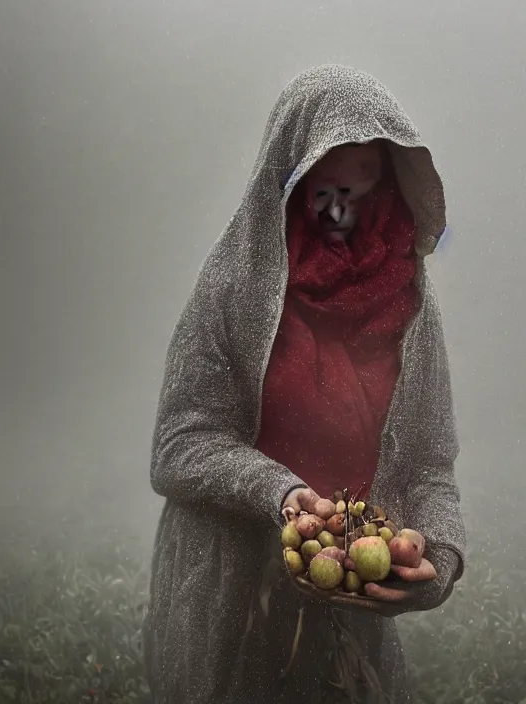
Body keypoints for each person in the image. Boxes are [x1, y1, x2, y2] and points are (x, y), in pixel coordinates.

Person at [143, 64, 467, 704]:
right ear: (289, 176)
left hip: (347, 618)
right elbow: (179, 445)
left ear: (389, 179)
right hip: (225, 612)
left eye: (364, 181)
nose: (343, 208)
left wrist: (441, 563)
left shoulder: (407, 302)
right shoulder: (235, 287)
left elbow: (431, 461)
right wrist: (282, 492)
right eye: (326, 183)